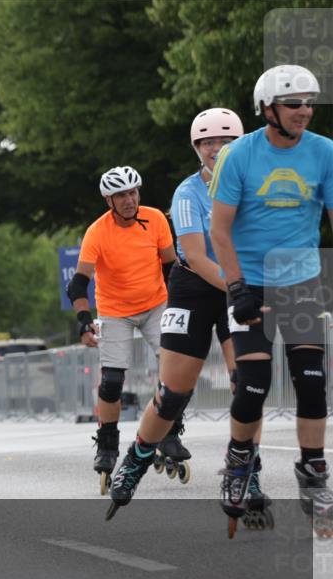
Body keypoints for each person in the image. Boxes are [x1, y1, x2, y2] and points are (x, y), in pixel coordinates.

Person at [105, 108, 257, 518]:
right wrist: (242, 290)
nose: (217, 149)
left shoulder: (255, 187)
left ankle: (247, 468)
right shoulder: (188, 193)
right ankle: (136, 458)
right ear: (197, 149)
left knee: (247, 381)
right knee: (173, 393)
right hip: (196, 286)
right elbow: (195, 254)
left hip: (238, 285)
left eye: (226, 142)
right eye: (208, 143)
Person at [208, 64, 333, 538]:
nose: (304, 111)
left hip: (301, 283)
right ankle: (239, 462)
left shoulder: (325, 153)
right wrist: (236, 288)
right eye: (294, 103)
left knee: (312, 382)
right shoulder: (238, 156)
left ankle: (314, 473)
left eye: (309, 103)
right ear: (267, 109)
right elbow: (219, 230)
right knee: (254, 382)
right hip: (252, 282)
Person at [67, 165, 178, 495]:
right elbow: (78, 284)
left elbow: (171, 268)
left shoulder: (156, 219)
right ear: (108, 201)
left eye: (133, 193)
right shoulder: (97, 232)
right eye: (121, 195)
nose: (129, 200)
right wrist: (85, 321)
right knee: (112, 382)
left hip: (157, 304)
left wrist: (181, 306)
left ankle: (169, 435)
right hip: (115, 311)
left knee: (174, 374)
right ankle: (107, 445)